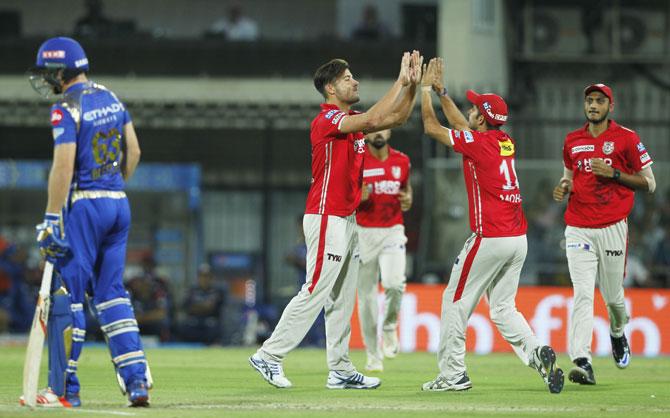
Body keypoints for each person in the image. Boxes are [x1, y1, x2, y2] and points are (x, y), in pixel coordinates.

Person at [249, 51, 422, 389]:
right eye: (347, 78)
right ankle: (269, 355)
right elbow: (373, 120)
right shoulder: (327, 120)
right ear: (330, 88)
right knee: (315, 289)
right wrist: (399, 81)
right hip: (326, 216)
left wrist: (412, 88)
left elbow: (397, 118)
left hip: (347, 219)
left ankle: (340, 369)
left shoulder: (352, 120)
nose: (354, 81)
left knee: (342, 297)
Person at [419, 58, 564, 393]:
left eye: (474, 109)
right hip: (517, 238)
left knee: (454, 302)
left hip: (491, 236)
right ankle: (535, 351)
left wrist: (425, 91)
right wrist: (444, 94)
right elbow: (465, 128)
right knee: (502, 308)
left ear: (482, 118)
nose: (470, 110)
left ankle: (453, 374)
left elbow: (432, 127)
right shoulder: (502, 141)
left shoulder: (479, 142)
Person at [25, 36, 150, 407]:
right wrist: (111, 188)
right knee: (112, 296)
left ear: (61, 71)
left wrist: (51, 217)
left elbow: (63, 165)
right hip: (117, 204)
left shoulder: (66, 107)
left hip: (84, 206)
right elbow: (136, 150)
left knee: (70, 296)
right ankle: (137, 382)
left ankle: (64, 390)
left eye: (50, 72)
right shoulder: (111, 97)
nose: (48, 79)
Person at [552, 83, 656, 385]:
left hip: (612, 227)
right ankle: (582, 361)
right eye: (589, 101)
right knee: (583, 294)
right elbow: (568, 176)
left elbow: (650, 183)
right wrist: (564, 186)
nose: (593, 105)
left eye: (599, 101)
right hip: (578, 227)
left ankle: (617, 332)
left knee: (613, 299)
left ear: (611, 106)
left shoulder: (627, 139)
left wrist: (613, 174)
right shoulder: (572, 140)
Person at [355, 129, 412, 372]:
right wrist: (358, 197)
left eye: (383, 128)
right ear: (365, 134)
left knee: (394, 283)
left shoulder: (402, 160)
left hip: (392, 230)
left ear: (389, 131)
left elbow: (406, 191)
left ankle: (389, 327)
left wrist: (409, 198)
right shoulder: (357, 161)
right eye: (373, 129)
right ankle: (372, 354)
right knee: (366, 299)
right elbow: (346, 196)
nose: (378, 132)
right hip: (362, 232)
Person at [285, 215, 325, 347]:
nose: (301, 229)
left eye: (302, 226)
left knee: (319, 317)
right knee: (302, 316)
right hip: (302, 287)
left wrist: (299, 261)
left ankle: (321, 343)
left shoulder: (317, 242)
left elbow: (314, 265)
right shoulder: (300, 244)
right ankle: (305, 343)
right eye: (299, 227)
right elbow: (289, 257)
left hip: (319, 288)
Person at [180, 264, 226, 345]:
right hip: (194, 322)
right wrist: (204, 306)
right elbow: (186, 307)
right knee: (183, 327)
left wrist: (197, 306)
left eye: (207, 276)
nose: (204, 279)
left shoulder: (218, 291)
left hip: (211, 322)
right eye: (202, 276)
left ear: (211, 277)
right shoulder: (192, 291)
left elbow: (213, 307)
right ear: (198, 277)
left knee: (214, 328)